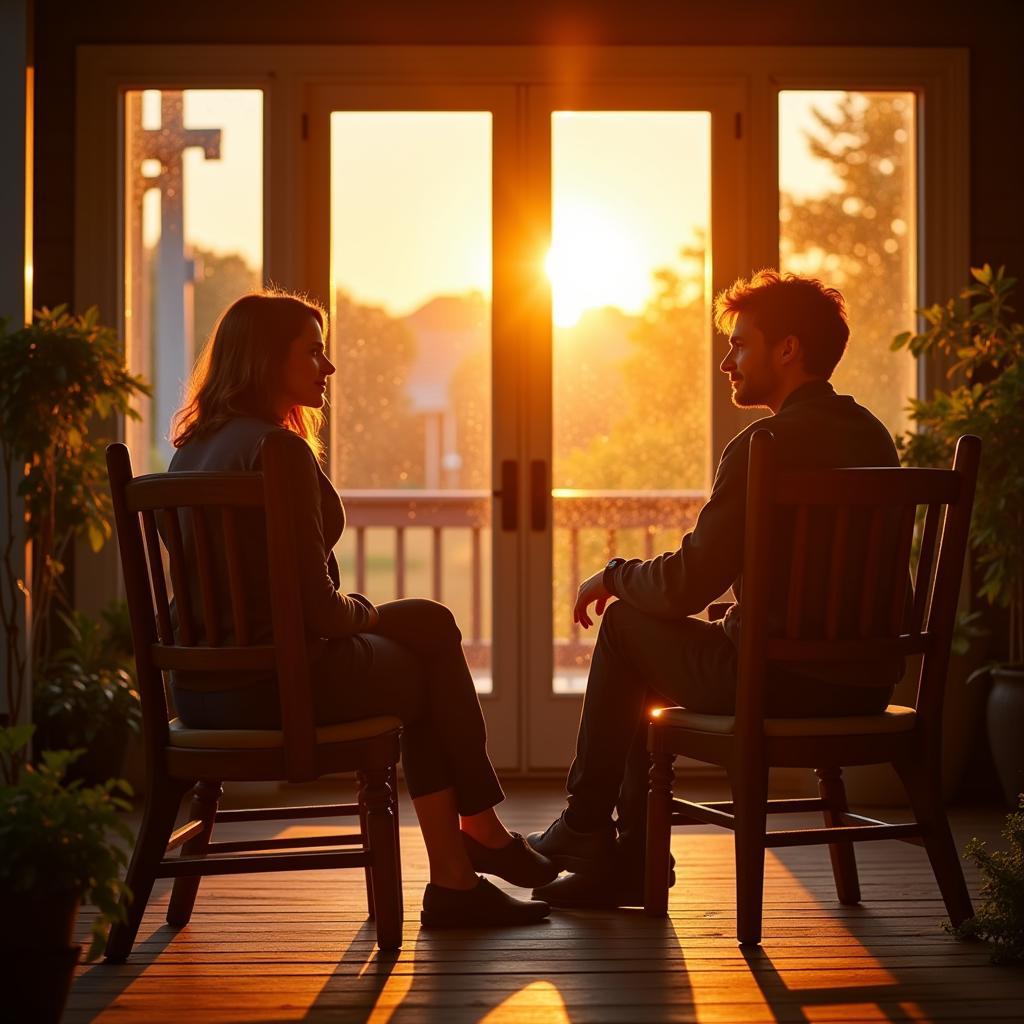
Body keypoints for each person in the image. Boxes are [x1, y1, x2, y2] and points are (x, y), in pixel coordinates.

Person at [167, 290, 556, 928]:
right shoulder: (277, 451)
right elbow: (319, 613)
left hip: (203, 694)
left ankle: (476, 845)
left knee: (429, 622)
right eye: (313, 352)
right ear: (268, 361)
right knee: (429, 652)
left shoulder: (190, 453)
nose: (329, 367)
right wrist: (365, 615)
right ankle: (469, 854)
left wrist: (364, 615)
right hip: (280, 687)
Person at [527, 269, 904, 908]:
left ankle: (590, 830)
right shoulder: (874, 438)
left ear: (787, 349)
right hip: (866, 683)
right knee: (650, 643)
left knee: (625, 626)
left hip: (775, 683)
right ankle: (615, 855)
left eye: (740, 345)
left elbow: (683, 586)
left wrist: (614, 575)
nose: (728, 361)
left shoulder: (763, 444)